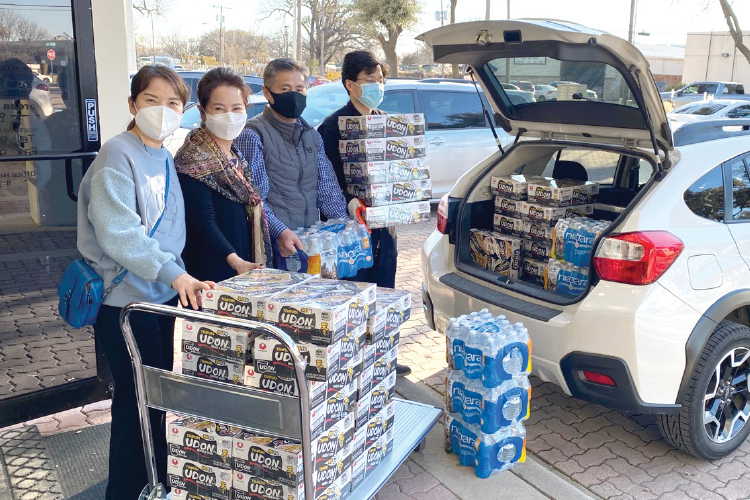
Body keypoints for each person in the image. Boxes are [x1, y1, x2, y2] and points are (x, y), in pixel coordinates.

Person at [76, 65, 214, 500]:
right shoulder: (117, 153)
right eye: (152, 100)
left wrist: (181, 279)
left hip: (160, 298)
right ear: (133, 105)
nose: (163, 110)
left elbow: (171, 229)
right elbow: (120, 233)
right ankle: (126, 490)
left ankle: (156, 482)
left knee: (155, 400)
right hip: (125, 303)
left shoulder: (165, 156)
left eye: (173, 102)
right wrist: (176, 274)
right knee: (135, 404)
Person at [317, 51, 411, 377]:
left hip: (386, 228)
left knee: (384, 291)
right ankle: (353, 363)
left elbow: (403, 173)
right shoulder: (331, 127)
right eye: (370, 81)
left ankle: (384, 358)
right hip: (351, 232)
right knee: (355, 295)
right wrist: (348, 202)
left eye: (380, 80)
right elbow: (325, 181)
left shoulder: (388, 123)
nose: (377, 86)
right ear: (350, 85)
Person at [234, 58, 348, 266]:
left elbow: (327, 189)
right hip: (274, 248)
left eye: (299, 89)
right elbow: (255, 199)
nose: (294, 95)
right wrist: (280, 232)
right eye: (285, 89)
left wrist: (345, 225)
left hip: (308, 245)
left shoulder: (312, 136)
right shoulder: (253, 135)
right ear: (267, 93)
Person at [175, 67, 266, 282]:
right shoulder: (194, 157)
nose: (230, 116)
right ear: (202, 111)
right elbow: (203, 222)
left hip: (242, 264)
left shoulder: (234, 154)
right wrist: (235, 261)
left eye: (236, 108)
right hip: (211, 270)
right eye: (219, 108)